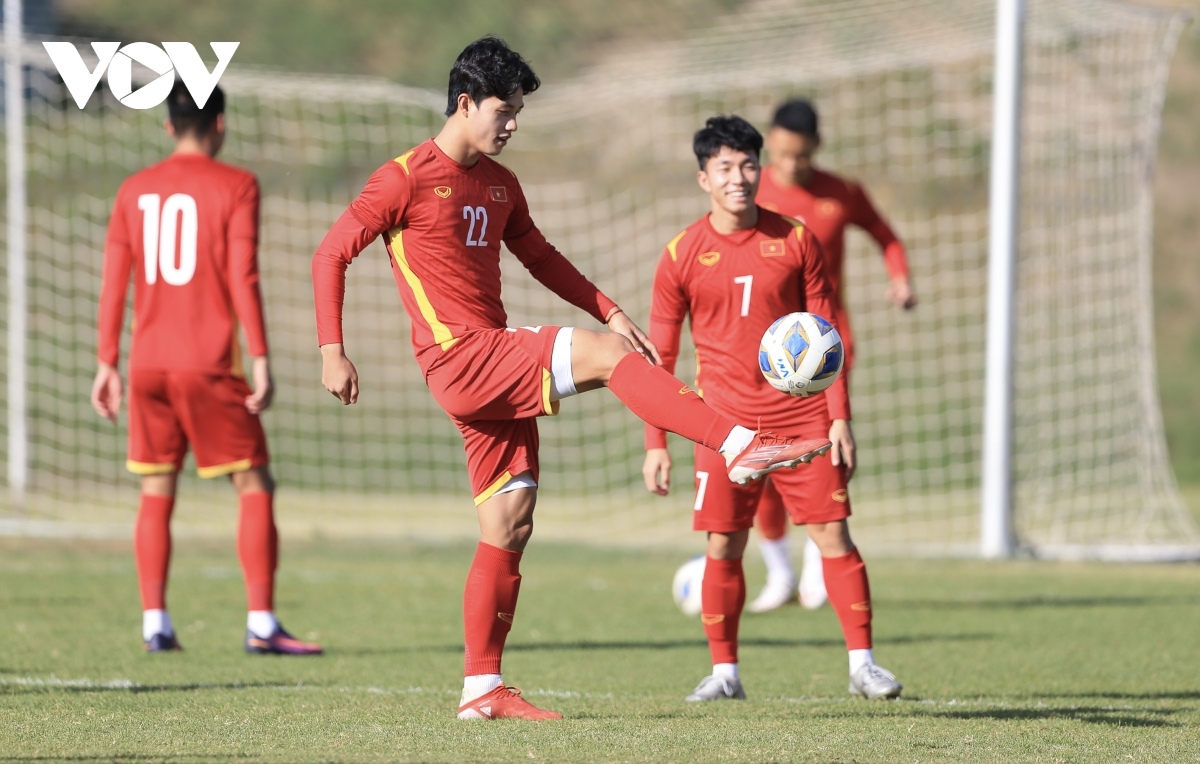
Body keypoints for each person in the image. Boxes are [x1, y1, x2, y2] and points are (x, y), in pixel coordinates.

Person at [311, 37, 831, 721]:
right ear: (465, 103)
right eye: (505, 110)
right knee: (607, 358)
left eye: (520, 111)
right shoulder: (404, 176)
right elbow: (331, 253)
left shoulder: (501, 184)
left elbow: (541, 257)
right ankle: (738, 442)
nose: (514, 124)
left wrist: (608, 306)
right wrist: (331, 350)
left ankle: (481, 690)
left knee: (509, 521)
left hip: (490, 361)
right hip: (461, 357)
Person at [641, 115, 902, 702]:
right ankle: (725, 674)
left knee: (833, 535)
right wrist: (656, 443)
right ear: (703, 178)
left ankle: (863, 665)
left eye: (749, 164)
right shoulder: (681, 254)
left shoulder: (796, 239)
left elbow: (826, 334)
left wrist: (839, 417)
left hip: (802, 420)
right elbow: (660, 358)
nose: (740, 177)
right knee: (723, 546)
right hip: (721, 425)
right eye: (726, 168)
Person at [91, 81, 322, 657]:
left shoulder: (132, 189)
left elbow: (113, 284)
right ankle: (263, 624)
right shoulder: (237, 184)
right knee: (254, 484)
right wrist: (262, 357)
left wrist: (106, 363)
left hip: (145, 365)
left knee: (155, 488)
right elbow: (242, 275)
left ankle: (155, 624)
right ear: (220, 124)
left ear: (168, 127)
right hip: (209, 363)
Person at [748, 99, 916, 613]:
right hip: (764, 351)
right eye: (780, 153)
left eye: (799, 155)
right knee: (762, 460)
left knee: (825, 454)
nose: (791, 164)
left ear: (816, 148)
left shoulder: (841, 193)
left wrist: (900, 277)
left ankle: (821, 570)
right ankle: (780, 575)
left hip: (826, 351)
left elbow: (886, 236)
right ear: (769, 145)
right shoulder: (752, 192)